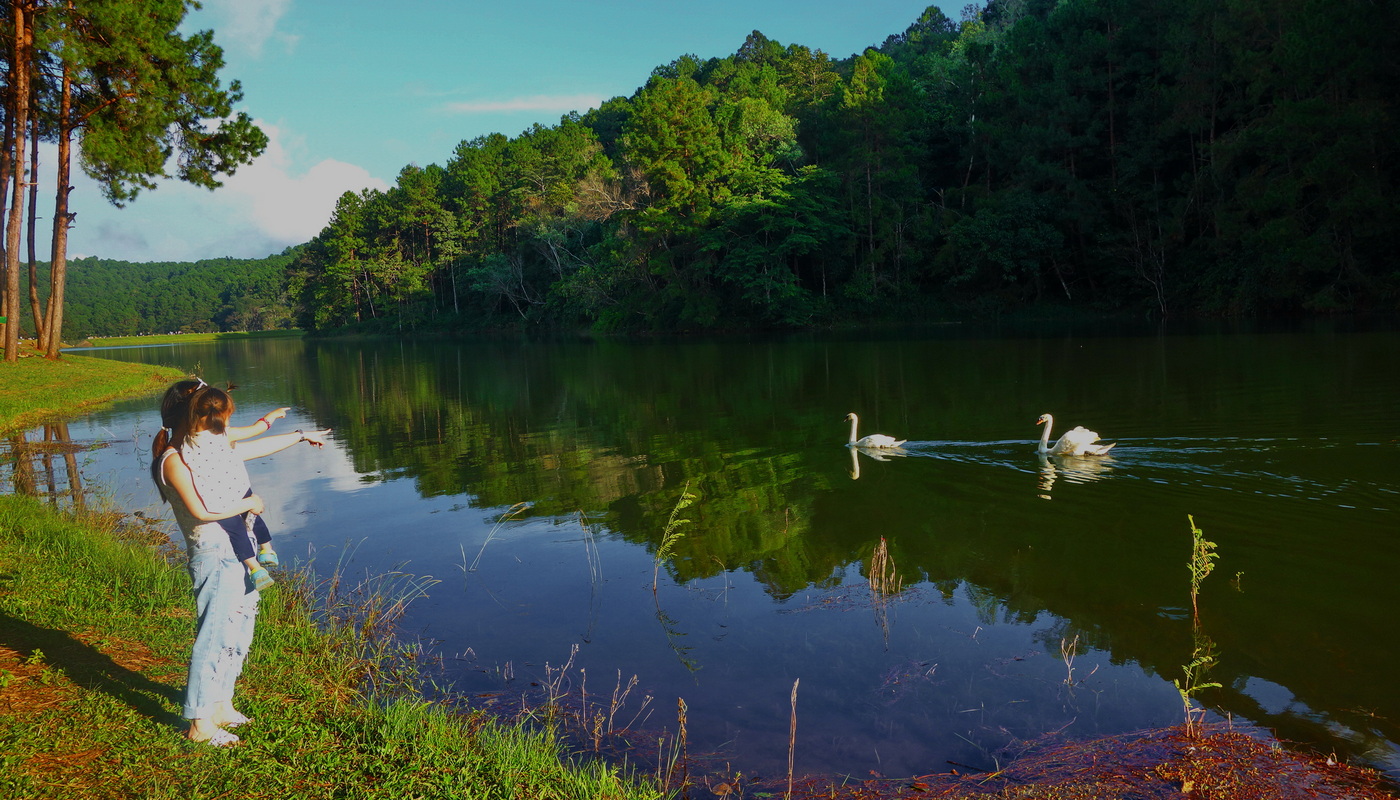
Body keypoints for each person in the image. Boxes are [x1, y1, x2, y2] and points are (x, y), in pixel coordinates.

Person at [150, 379, 330, 746]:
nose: (221, 422)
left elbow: (255, 447)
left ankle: (220, 704)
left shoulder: (211, 447)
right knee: (214, 636)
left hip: (239, 547)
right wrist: (248, 504)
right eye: (212, 412)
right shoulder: (174, 460)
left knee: (238, 632)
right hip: (215, 555)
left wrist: (299, 436)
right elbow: (203, 514)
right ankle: (200, 724)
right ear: (196, 414)